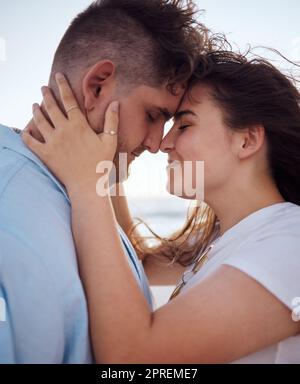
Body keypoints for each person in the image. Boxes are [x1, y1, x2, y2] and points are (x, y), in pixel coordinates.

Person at [24, 49, 300, 363]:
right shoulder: (220, 241)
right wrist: (109, 158)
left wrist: (87, 185)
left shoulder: (290, 242)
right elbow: (127, 263)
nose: (163, 144)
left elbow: (135, 358)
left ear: (247, 140)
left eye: (184, 126)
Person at [0, 0, 207, 363]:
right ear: (97, 87)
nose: (157, 143)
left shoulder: (80, 189)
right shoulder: (10, 201)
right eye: (153, 115)